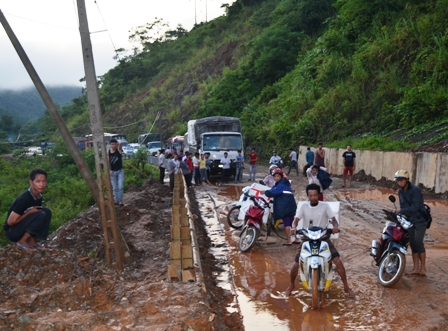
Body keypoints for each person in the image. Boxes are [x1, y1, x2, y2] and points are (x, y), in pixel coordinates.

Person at [286, 183, 355, 297]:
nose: (313, 197)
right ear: (308, 196)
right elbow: (296, 219)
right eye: (310, 195)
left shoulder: (325, 206)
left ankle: (346, 287)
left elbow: (333, 219)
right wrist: (294, 227)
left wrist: (335, 227)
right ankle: (291, 285)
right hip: (307, 237)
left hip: (323, 237)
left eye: (315, 195)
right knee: (296, 263)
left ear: (319, 195)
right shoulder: (304, 206)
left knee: (337, 260)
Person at [3, 168, 52, 250]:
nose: (41, 184)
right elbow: (10, 222)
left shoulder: (38, 196)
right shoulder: (24, 198)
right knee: (41, 214)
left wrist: (31, 213)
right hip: (12, 231)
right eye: (38, 181)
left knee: (47, 212)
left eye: (44, 181)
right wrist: (29, 213)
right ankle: (22, 241)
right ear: (31, 182)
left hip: (22, 228)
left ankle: (32, 241)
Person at [394, 170, 427, 276]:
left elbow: (415, 207)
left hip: (420, 219)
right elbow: (403, 206)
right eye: (397, 180)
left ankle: (423, 268)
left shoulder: (415, 190)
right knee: (412, 243)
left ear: (407, 180)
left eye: (401, 180)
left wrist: (402, 211)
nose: (399, 182)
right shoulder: (400, 192)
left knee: (418, 241)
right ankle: (415, 268)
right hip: (410, 219)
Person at [262, 168, 297, 245]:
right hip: (292, 205)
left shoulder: (280, 185)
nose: (276, 178)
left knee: (287, 223)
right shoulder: (285, 183)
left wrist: (265, 192)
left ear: (281, 176)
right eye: (275, 176)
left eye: (278, 176)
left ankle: (289, 241)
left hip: (285, 206)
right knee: (292, 223)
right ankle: (296, 239)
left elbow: (273, 192)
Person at [108, 139, 124, 206]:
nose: (113, 145)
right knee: (115, 188)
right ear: (110, 145)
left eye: (114, 144)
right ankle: (116, 200)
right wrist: (109, 170)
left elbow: (120, 143)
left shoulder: (119, 150)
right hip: (113, 172)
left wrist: (118, 141)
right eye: (112, 144)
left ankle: (120, 201)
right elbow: (107, 162)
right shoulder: (108, 152)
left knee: (120, 186)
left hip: (120, 171)